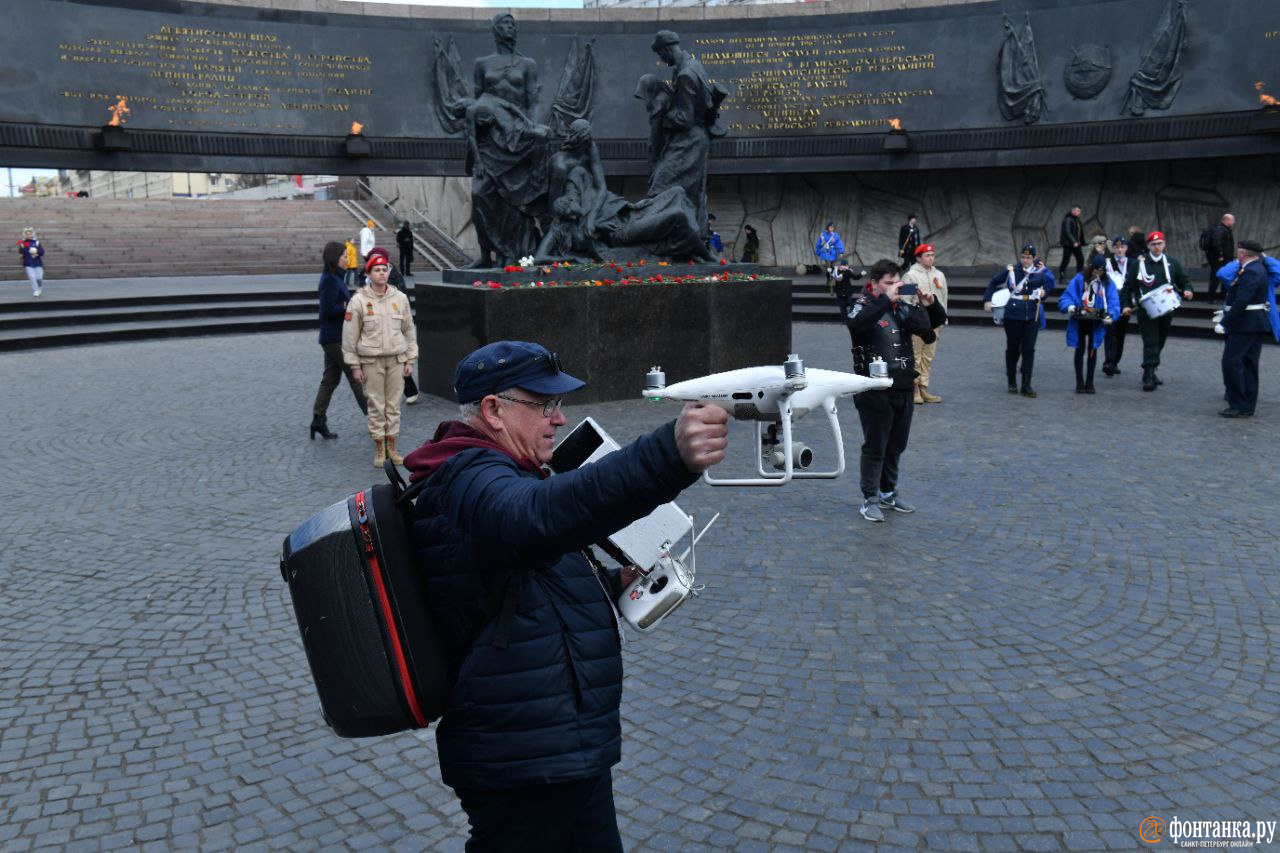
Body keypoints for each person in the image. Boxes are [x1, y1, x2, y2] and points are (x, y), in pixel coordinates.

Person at [403, 340, 728, 850]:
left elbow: (520, 576)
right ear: (493, 410)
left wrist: (606, 585)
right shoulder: (468, 476)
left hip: (558, 741)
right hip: (524, 754)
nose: (558, 419)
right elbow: (536, 518)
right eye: (544, 404)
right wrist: (668, 455)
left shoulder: (503, 471)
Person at [846, 259, 947, 523]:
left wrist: (930, 305)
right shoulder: (863, 305)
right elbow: (857, 325)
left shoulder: (901, 308)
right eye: (888, 283)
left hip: (903, 387)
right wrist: (885, 300)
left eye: (896, 283)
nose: (894, 288)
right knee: (876, 445)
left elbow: (929, 333)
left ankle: (888, 492)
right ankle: (870, 498)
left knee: (896, 444)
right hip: (873, 388)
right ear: (874, 284)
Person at [342, 248, 418, 467]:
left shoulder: (400, 298)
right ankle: (379, 448)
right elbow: (349, 336)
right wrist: (354, 365)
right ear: (369, 273)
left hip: (395, 359)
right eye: (377, 270)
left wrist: (409, 359)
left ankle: (392, 447)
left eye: (384, 269)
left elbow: (408, 330)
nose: (382, 273)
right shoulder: (358, 300)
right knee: (376, 405)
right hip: (370, 361)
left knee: (393, 405)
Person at [648, 30, 724, 239]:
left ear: (666, 49)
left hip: (689, 140)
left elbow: (684, 118)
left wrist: (662, 116)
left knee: (660, 188)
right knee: (692, 193)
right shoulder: (694, 65)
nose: (661, 60)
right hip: (697, 139)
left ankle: (662, 241)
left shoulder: (685, 75)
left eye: (660, 55)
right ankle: (694, 240)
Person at [1121, 230, 1193, 392]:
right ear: (1148, 246)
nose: (1157, 247)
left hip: (1167, 309)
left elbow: (1183, 280)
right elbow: (1128, 287)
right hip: (1145, 310)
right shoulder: (1138, 264)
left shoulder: (1172, 263)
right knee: (1151, 340)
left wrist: (1187, 289)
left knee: (1160, 340)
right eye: (1153, 244)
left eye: (1159, 243)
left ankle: (1151, 369)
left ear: (1164, 244)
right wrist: (1125, 304)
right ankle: (1149, 374)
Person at [311, 242, 369, 440]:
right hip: (335, 339)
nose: (348, 258)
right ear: (335, 258)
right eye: (345, 256)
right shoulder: (329, 280)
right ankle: (376, 419)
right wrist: (349, 305)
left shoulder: (335, 278)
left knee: (330, 379)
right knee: (356, 378)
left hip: (332, 338)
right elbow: (327, 311)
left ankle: (318, 419)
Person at [1215, 240, 1279, 417]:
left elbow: (1242, 300)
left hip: (1245, 324)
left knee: (1232, 362)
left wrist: (1225, 322)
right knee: (1249, 363)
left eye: (1239, 252)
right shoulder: (1257, 269)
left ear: (1243, 254)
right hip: (1252, 323)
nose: (1238, 255)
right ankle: (1247, 403)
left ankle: (1239, 403)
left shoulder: (1251, 271)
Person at [983, 243, 1055, 397]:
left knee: (1029, 349)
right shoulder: (1012, 270)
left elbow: (1050, 286)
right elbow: (994, 282)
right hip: (1014, 313)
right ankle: (1011, 381)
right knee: (1013, 348)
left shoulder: (1040, 272)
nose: (1025, 260)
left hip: (1032, 313)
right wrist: (987, 300)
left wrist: (1044, 293)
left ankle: (1026, 384)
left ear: (1034, 258)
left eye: (1029, 257)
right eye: (1023, 257)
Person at [1058, 254, 1121, 393]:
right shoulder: (1079, 279)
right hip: (1080, 321)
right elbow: (1066, 296)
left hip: (1096, 323)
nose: (1097, 274)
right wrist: (1070, 307)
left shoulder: (1108, 283)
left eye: (1100, 272)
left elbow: (1114, 302)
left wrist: (1111, 315)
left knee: (1092, 351)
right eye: (1095, 271)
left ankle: (1090, 382)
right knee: (1079, 350)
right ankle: (1079, 382)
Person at [901, 243, 949, 404]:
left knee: (928, 357)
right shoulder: (910, 276)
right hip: (918, 324)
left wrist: (943, 321)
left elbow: (943, 299)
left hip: (934, 323)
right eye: (927, 255)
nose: (931, 258)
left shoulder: (940, 275)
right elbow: (905, 301)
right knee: (916, 356)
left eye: (932, 255)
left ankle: (924, 388)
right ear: (918, 258)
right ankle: (914, 389)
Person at [1102, 235, 1132, 376]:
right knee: (1110, 332)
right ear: (1113, 249)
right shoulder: (1107, 263)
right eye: (1117, 247)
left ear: (1126, 248)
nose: (1120, 250)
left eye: (1122, 247)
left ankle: (1115, 361)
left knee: (1121, 333)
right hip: (1110, 303)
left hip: (1125, 303)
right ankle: (1109, 361)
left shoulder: (1132, 264)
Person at [1205, 213, 1235, 302]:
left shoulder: (1225, 230)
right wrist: (1220, 255)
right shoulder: (1220, 230)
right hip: (1220, 259)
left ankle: (1223, 297)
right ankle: (1211, 298)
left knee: (1223, 277)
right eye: (1232, 220)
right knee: (1215, 277)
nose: (1234, 222)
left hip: (1224, 259)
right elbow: (1216, 243)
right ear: (1226, 220)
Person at [814, 222, 844, 293]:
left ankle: (832, 279)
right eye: (830, 227)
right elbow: (818, 244)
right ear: (828, 227)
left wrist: (841, 251)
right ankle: (828, 279)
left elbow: (838, 243)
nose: (832, 229)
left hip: (833, 252)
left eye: (833, 227)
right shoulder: (823, 235)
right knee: (828, 266)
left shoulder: (835, 235)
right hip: (825, 252)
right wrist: (819, 248)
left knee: (832, 266)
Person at [1057, 205, 1084, 281]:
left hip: (1075, 244)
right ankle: (1061, 272)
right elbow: (1067, 231)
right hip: (1068, 244)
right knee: (1066, 259)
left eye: (1080, 211)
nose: (1079, 213)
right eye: (1078, 211)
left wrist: (1079, 241)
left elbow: (1078, 231)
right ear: (1073, 211)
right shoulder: (1068, 219)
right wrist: (1074, 241)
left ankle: (1079, 274)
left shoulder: (1075, 219)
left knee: (1080, 259)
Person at [18, 227, 44, 297]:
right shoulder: (22, 243)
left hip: (37, 263)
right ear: (25, 235)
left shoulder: (37, 242)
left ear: (33, 234)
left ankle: (39, 288)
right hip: (28, 263)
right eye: (27, 234)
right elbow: (21, 251)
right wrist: (26, 252)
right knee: (32, 277)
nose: (29, 235)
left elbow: (42, 252)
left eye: (30, 234)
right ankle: (35, 290)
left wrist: (36, 252)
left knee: (39, 278)